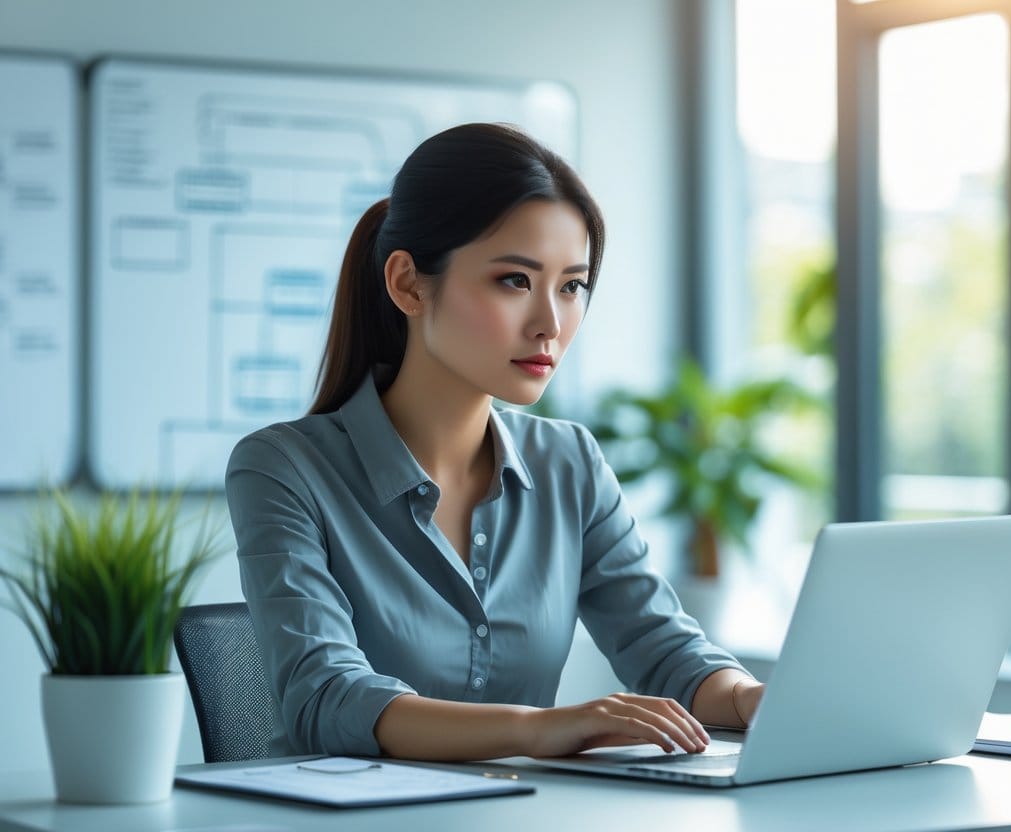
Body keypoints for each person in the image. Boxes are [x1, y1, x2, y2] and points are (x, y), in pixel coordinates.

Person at [226, 122, 764, 762]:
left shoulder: (571, 464)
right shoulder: (285, 469)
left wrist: (751, 699)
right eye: (515, 280)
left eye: (571, 286)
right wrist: (538, 729)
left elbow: (667, 651)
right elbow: (328, 699)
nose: (550, 323)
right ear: (408, 284)